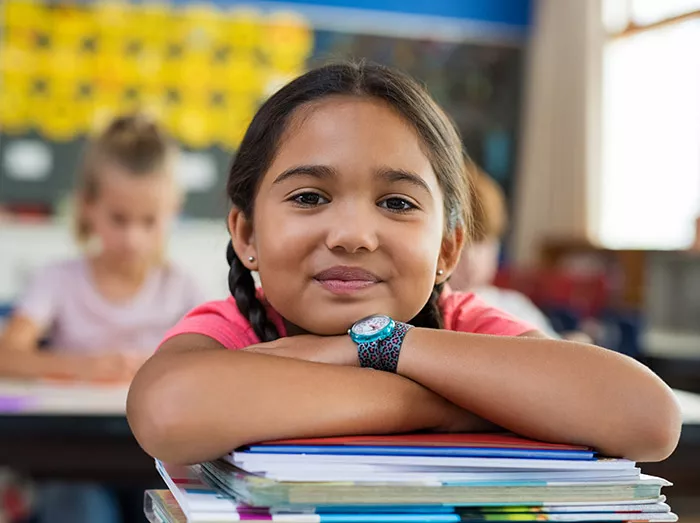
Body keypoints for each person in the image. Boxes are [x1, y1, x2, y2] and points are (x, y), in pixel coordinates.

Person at [127, 62, 680, 469]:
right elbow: (169, 409)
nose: (351, 236)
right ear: (246, 233)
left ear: (447, 250)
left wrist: (382, 345)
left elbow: (649, 418)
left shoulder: (465, 323)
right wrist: (455, 405)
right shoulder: (234, 331)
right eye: (309, 197)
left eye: (397, 203)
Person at [0, 113, 203, 523]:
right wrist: (85, 367)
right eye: (119, 219)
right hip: (73, 458)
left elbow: (218, 364)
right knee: (80, 509)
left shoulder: (183, 288)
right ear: (88, 207)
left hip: (159, 456)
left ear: (173, 212)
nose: (133, 238)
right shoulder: (57, 280)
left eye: (149, 221)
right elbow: (7, 355)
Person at [449, 169, 561, 339]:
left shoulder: (513, 305)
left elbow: (557, 350)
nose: (470, 259)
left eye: (481, 242)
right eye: (461, 245)